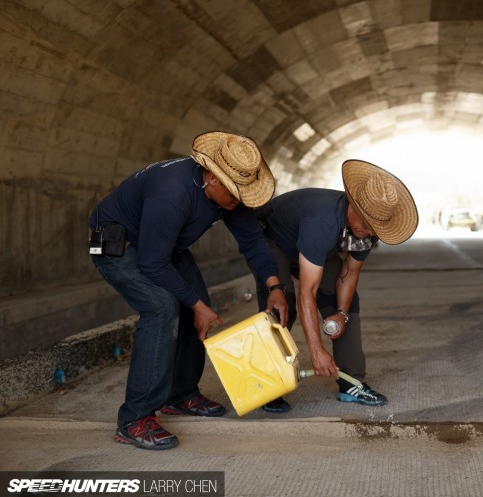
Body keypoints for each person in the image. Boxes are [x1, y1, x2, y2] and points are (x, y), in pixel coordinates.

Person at [89, 131, 289, 450]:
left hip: (165, 246)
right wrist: (194, 304)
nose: (238, 202)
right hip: (120, 245)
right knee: (162, 308)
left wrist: (274, 285)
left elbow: (252, 241)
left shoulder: (229, 194)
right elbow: (152, 262)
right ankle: (134, 419)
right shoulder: (172, 192)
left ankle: (180, 395)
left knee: (200, 311)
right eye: (234, 194)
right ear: (211, 176)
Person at [251, 160, 418, 412]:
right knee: (282, 304)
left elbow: (348, 274)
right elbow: (306, 292)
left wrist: (340, 313)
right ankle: (268, 383)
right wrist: (316, 351)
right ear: (352, 203)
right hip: (275, 241)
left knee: (348, 304)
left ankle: (351, 383)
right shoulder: (323, 221)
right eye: (364, 221)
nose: (367, 230)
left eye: (375, 226)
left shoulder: (367, 232)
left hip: (316, 250)